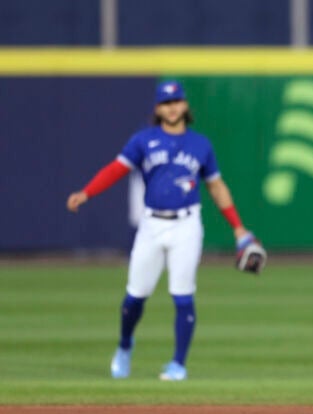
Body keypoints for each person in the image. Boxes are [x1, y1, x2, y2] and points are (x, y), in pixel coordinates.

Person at [66, 81, 260, 381]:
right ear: (158, 108)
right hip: (152, 224)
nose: (171, 107)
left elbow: (216, 187)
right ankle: (124, 346)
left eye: (176, 101)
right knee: (135, 296)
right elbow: (117, 169)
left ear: (184, 106)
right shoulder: (143, 140)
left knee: (183, 295)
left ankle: (178, 364)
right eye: (165, 102)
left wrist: (238, 227)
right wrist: (87, 192)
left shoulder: (200, 144)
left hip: (187, 223)